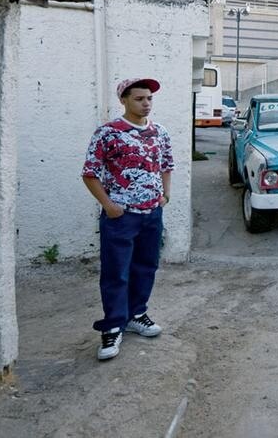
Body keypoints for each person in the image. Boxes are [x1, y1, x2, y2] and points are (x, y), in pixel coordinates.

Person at [82, 78, 174, 361]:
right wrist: (108, 205)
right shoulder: (108, 133)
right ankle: (112, 326)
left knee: (146, 266)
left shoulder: (160, 132)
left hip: (151, 214)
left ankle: (136, 314)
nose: (146, 103)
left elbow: (167, 165)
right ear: (124, 100)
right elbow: (90, 172)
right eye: (139, 99)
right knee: (116, 271)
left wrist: (165, 196)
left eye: (149, 98)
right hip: (121, 216)